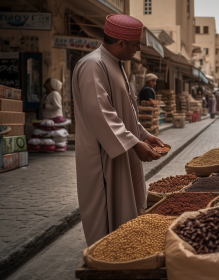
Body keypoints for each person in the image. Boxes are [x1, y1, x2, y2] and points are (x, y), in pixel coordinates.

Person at [71, 14, 166, 246]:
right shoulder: (93, 64)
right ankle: (105, 254)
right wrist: (134, 143)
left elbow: (126, 111)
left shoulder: (117, 65)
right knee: (107, 208)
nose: (139, 48)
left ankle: (125, 247)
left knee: (126, 206)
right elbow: (100, 112)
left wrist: (143, 135)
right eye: (136, 44)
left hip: (121, 148)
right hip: (103, 155)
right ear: (121, 43)